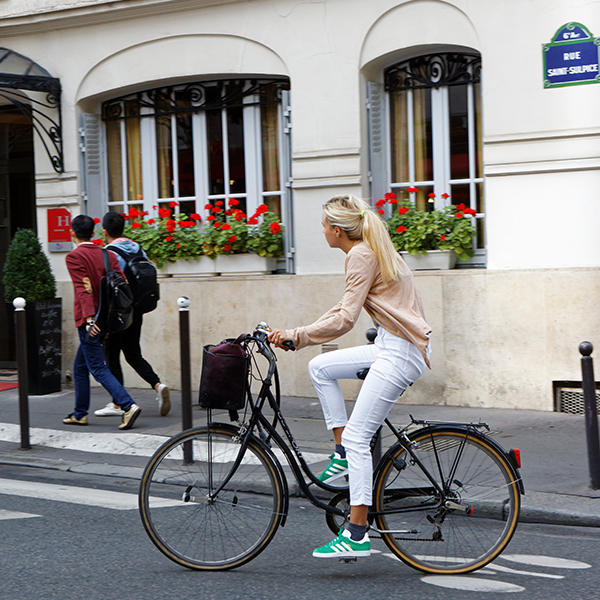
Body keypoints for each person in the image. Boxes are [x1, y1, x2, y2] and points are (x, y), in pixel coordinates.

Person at [268, 194, 431, 559]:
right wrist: (299, 332)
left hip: (400, 352)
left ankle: (356, 532)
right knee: (320, 367)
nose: (322, 230)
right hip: (395, 346)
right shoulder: (369, 249)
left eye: (324, 225)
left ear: (337, 230)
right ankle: (342, 453)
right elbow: (344, 306)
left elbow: (345, 320)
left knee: (359, 439)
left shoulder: (360, 253)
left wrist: (299, 335)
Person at [63, 214, 142, 430]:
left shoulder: (74, 257)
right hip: (107, 318)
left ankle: (127, 405)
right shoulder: (106, 254)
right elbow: (121, 283)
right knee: (80, 367)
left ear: (72, 233)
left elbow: (83, 288)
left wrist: (89, 319)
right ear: (94, 233)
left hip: (90, 321)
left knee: (97, 367)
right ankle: (80, 413)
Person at [93, 211, 170, 418]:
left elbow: (109, 287)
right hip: (137, 311)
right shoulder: (137, 247)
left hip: (119, 313)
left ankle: (118, 404)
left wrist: (103, 320)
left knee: (112, 355)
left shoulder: (109, 252)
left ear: (105, 230)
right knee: (133, 354)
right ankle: (157, 385)